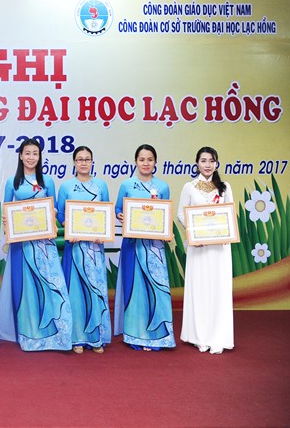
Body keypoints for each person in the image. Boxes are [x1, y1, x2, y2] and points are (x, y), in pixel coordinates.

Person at [0, 138, 72, 351]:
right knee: (27, 287)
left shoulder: (48, 181)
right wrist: (8, 221)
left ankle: (56, 333)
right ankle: (30, 334)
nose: (31, 157)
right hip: (21, 245)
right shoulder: (12, 182)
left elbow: (54, 209)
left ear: (40, 157)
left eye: (35, 154)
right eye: (27, 153)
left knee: (50, 285)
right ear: (21, 156)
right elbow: (6, 210)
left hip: (44, 243)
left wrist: (51, 213)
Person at [114, 144, 175, 351]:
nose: (146, 163)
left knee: (157, 288)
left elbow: (166, 214)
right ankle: (135, 334)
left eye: (150, 159)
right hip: (132, 246)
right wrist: (120, 215)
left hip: (155, 247)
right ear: (135, 162)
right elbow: (118, 209)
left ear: (155, 162)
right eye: (142, 159)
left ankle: (157, 336)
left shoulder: (163, 186)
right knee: (135, 289)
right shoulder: (126, 185)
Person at [176, 146, 234, 354]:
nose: (207, 165)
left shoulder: (225, 187)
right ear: (197, 163)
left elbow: (230, 213)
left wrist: (225, 233)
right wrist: (193, 233)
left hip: (220, 248)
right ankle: (199, 336)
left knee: (218, 289)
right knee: (200, 289)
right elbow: (181, 214)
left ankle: (218, 336)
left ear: (216, 163)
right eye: (203, 160)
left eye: (211, 161)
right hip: (199, 247)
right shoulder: (189, 187)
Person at [56, 146, 111, 354]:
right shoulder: (66, 186)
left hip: (95, 247)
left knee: (95, 289)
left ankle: (96, 337)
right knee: (76, 291)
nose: (84, 163)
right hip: (75, 246)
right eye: (80, 159)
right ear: (74, 162)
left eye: (87, 159)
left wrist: (102, 232)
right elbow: (61, 214)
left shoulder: (101, 185)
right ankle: (77, 337)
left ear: (92, 161)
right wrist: (70, 227)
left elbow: (106, 212)